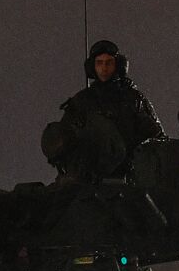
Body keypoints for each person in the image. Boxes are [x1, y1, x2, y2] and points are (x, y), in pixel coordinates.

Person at [48, 40, 165, 180]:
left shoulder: (133, 99)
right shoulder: (82, 101)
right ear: (92, 67)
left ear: (118, 65)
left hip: (129, 176)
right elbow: (64, 138)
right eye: (99, 63)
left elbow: (158, 137)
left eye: (109, 63)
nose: (104, 68)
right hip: (89, 177)